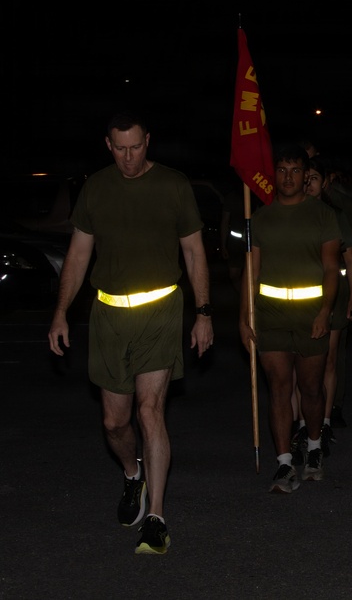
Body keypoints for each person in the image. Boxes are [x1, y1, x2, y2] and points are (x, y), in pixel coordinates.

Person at [47, 111, 214, 554]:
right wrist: (60, 311)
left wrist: (203, 312)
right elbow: (79, 255)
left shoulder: (174, 185)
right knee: (114, 422)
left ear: (148, 141)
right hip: (108, 315)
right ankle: (132, 475)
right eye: (119, 148)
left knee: (150, 411)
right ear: (108, 145)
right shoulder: (96, 188)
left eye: (136, 147)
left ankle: (156, 517)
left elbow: (194, 252)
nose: (128, 157)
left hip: (160, 310)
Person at [239, 144, 342, 493]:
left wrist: (325, 311)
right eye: (281, 170)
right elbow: (250, 272)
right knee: (279, 388)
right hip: (271, 316)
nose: (288, 177)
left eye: (295, 171)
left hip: (311, 316)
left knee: (311, 389)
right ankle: (284, 463)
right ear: (274, 175)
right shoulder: (261, 217)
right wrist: (244, 317)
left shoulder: (322, 215)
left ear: (305, 174)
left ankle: (313, 448)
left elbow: (331, 267)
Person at [288, 157, 352, 460]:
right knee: (297, 362)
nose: (308, 183)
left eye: (314, 178)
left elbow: (351, 260)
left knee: (328, 360)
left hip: (333, 295)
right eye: (306, 178)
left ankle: (324, 420)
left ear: (325, 181)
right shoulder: (289, 213)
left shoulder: (335, 215)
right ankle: (299, 424)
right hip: (300, 295)